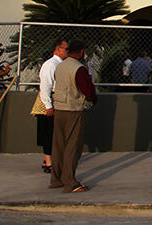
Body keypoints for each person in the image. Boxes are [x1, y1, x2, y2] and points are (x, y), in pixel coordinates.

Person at [50, 39, 97, 193]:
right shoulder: (79, 69)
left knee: (58, 145)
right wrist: (92, 99)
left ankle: (56, 179)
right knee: (72, 147)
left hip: (59, 108)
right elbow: (88, 91)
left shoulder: (60, 66)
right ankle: (70, 182)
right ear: (82, 51)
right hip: (74, 110)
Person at [35, 39, 68, 173]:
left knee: (54, 131)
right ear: (58, 49)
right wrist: (48, 105)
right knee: (49, 131)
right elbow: (46, 86)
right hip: (49, 100)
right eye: (66, 49)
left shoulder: (60, 64)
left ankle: (49, 158)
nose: (67, 51)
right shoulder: (50, 65)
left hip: (56, 99)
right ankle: (49, 161)